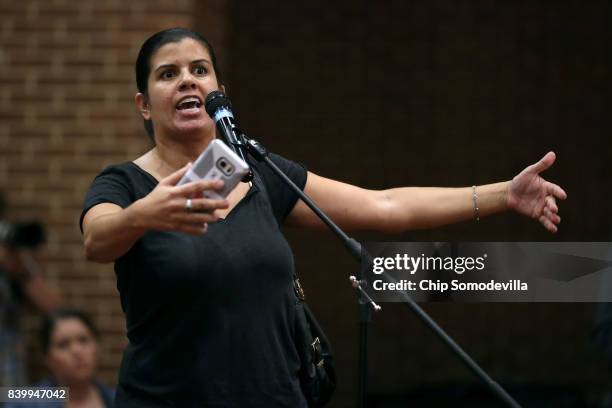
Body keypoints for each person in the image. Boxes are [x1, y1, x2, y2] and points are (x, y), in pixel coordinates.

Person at [79, 28, 567, 407]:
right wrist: (144, 213)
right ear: (143, 105)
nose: (187, 79)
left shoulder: (261, 174)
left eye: (199, 70)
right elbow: (97, 239)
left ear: (218, 90)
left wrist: (506, 193)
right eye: (168, 74)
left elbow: (385, 207)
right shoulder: (125, 184)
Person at [5, 307, 114, 407]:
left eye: (83, 340)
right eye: (63, 345)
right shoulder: (22, 402)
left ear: (97, 346)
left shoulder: (119, 399)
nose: (77, 351)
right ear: (47, 357)